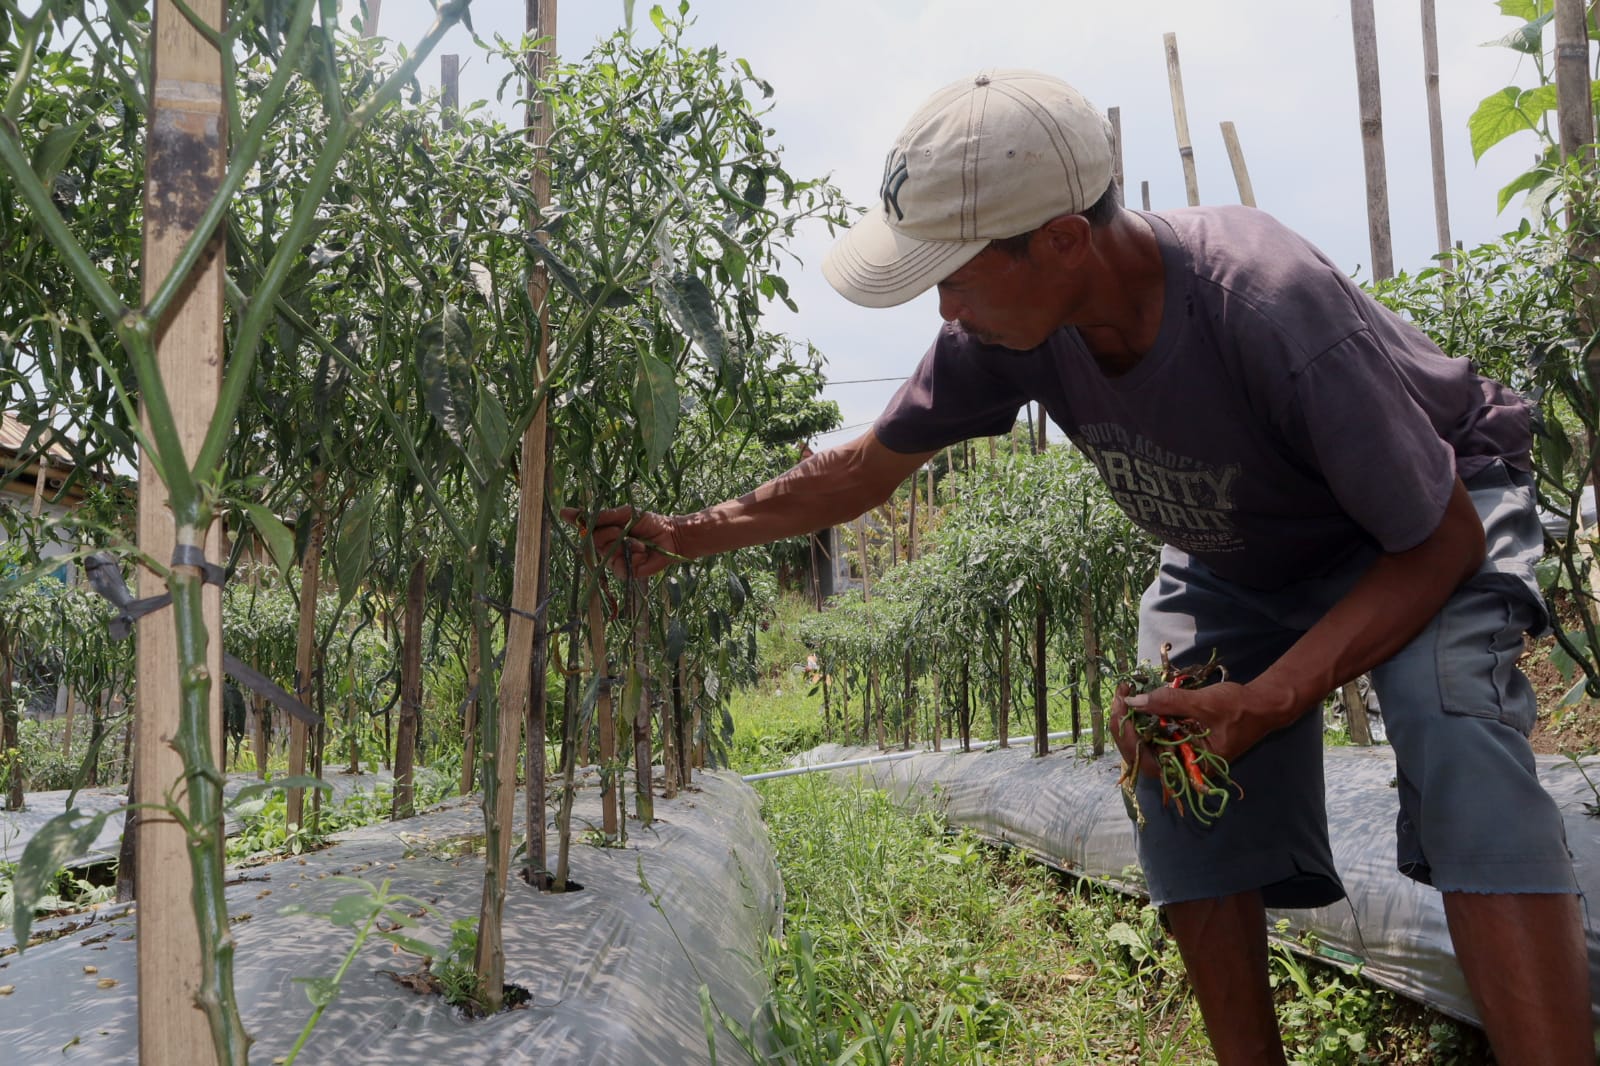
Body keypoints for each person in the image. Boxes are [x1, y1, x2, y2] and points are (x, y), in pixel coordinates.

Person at [574, 70, 1591, 1062]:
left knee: (1455, 729)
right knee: (1169, 757)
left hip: (1423, 513)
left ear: (1062, 241)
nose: (943, 311)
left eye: (955, 275)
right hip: (1240, 545)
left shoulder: (1267, 304)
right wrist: (687, 533)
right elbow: (859, 471)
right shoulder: (1004, 335)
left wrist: (1276, 694)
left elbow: (1438, 539)